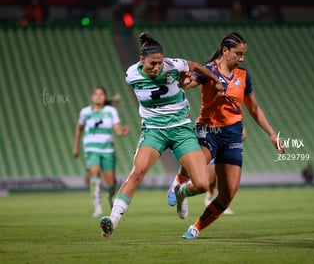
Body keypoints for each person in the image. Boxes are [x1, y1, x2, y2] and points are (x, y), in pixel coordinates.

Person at [99, 33, 224, 238]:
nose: (157, 67)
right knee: (137, 172)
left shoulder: (173, 65)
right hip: (153, 131)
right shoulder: (131, 75)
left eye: (159, 63)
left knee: (201, 184)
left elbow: (194, 65)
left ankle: (181, 193)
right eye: (152, 64)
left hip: (181, 130)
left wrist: (215, 80)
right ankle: (112, 221)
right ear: (141, 60)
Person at [167, 32, 285, 239]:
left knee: (228, 194)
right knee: (197, 169)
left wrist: (272, 134)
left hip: (232, 136)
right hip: (208, 131)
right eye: (238, 54)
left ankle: (194, 225)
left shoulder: (243, 76)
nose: (241, 59)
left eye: (244, 55)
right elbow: (190, 83)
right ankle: (178, 181)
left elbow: (254, 109)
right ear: (225, 51)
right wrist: (184, 81)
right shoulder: (209, 70)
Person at [73, 86, 130, 217]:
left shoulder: (111, 111)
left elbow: (117, 129)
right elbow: (79, 129)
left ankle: (111, 196)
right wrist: (76, 148)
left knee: (110, 182)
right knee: (94, 173)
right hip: (91, 148)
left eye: (101, 94)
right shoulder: (85, 112)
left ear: (105, 97)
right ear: (92, 97)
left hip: (107, 149)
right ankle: (97, 207)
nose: (98, 96)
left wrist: (122, 132)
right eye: (96, 94)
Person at [204, 126, 247, 215]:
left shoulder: (235, 119)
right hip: (214, 149)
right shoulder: (208, 116)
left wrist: (232, 137)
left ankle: (226, 205)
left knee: (227, 180)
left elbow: (244, 136)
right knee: (211, 180)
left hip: (228, 149)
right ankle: (210, 195)